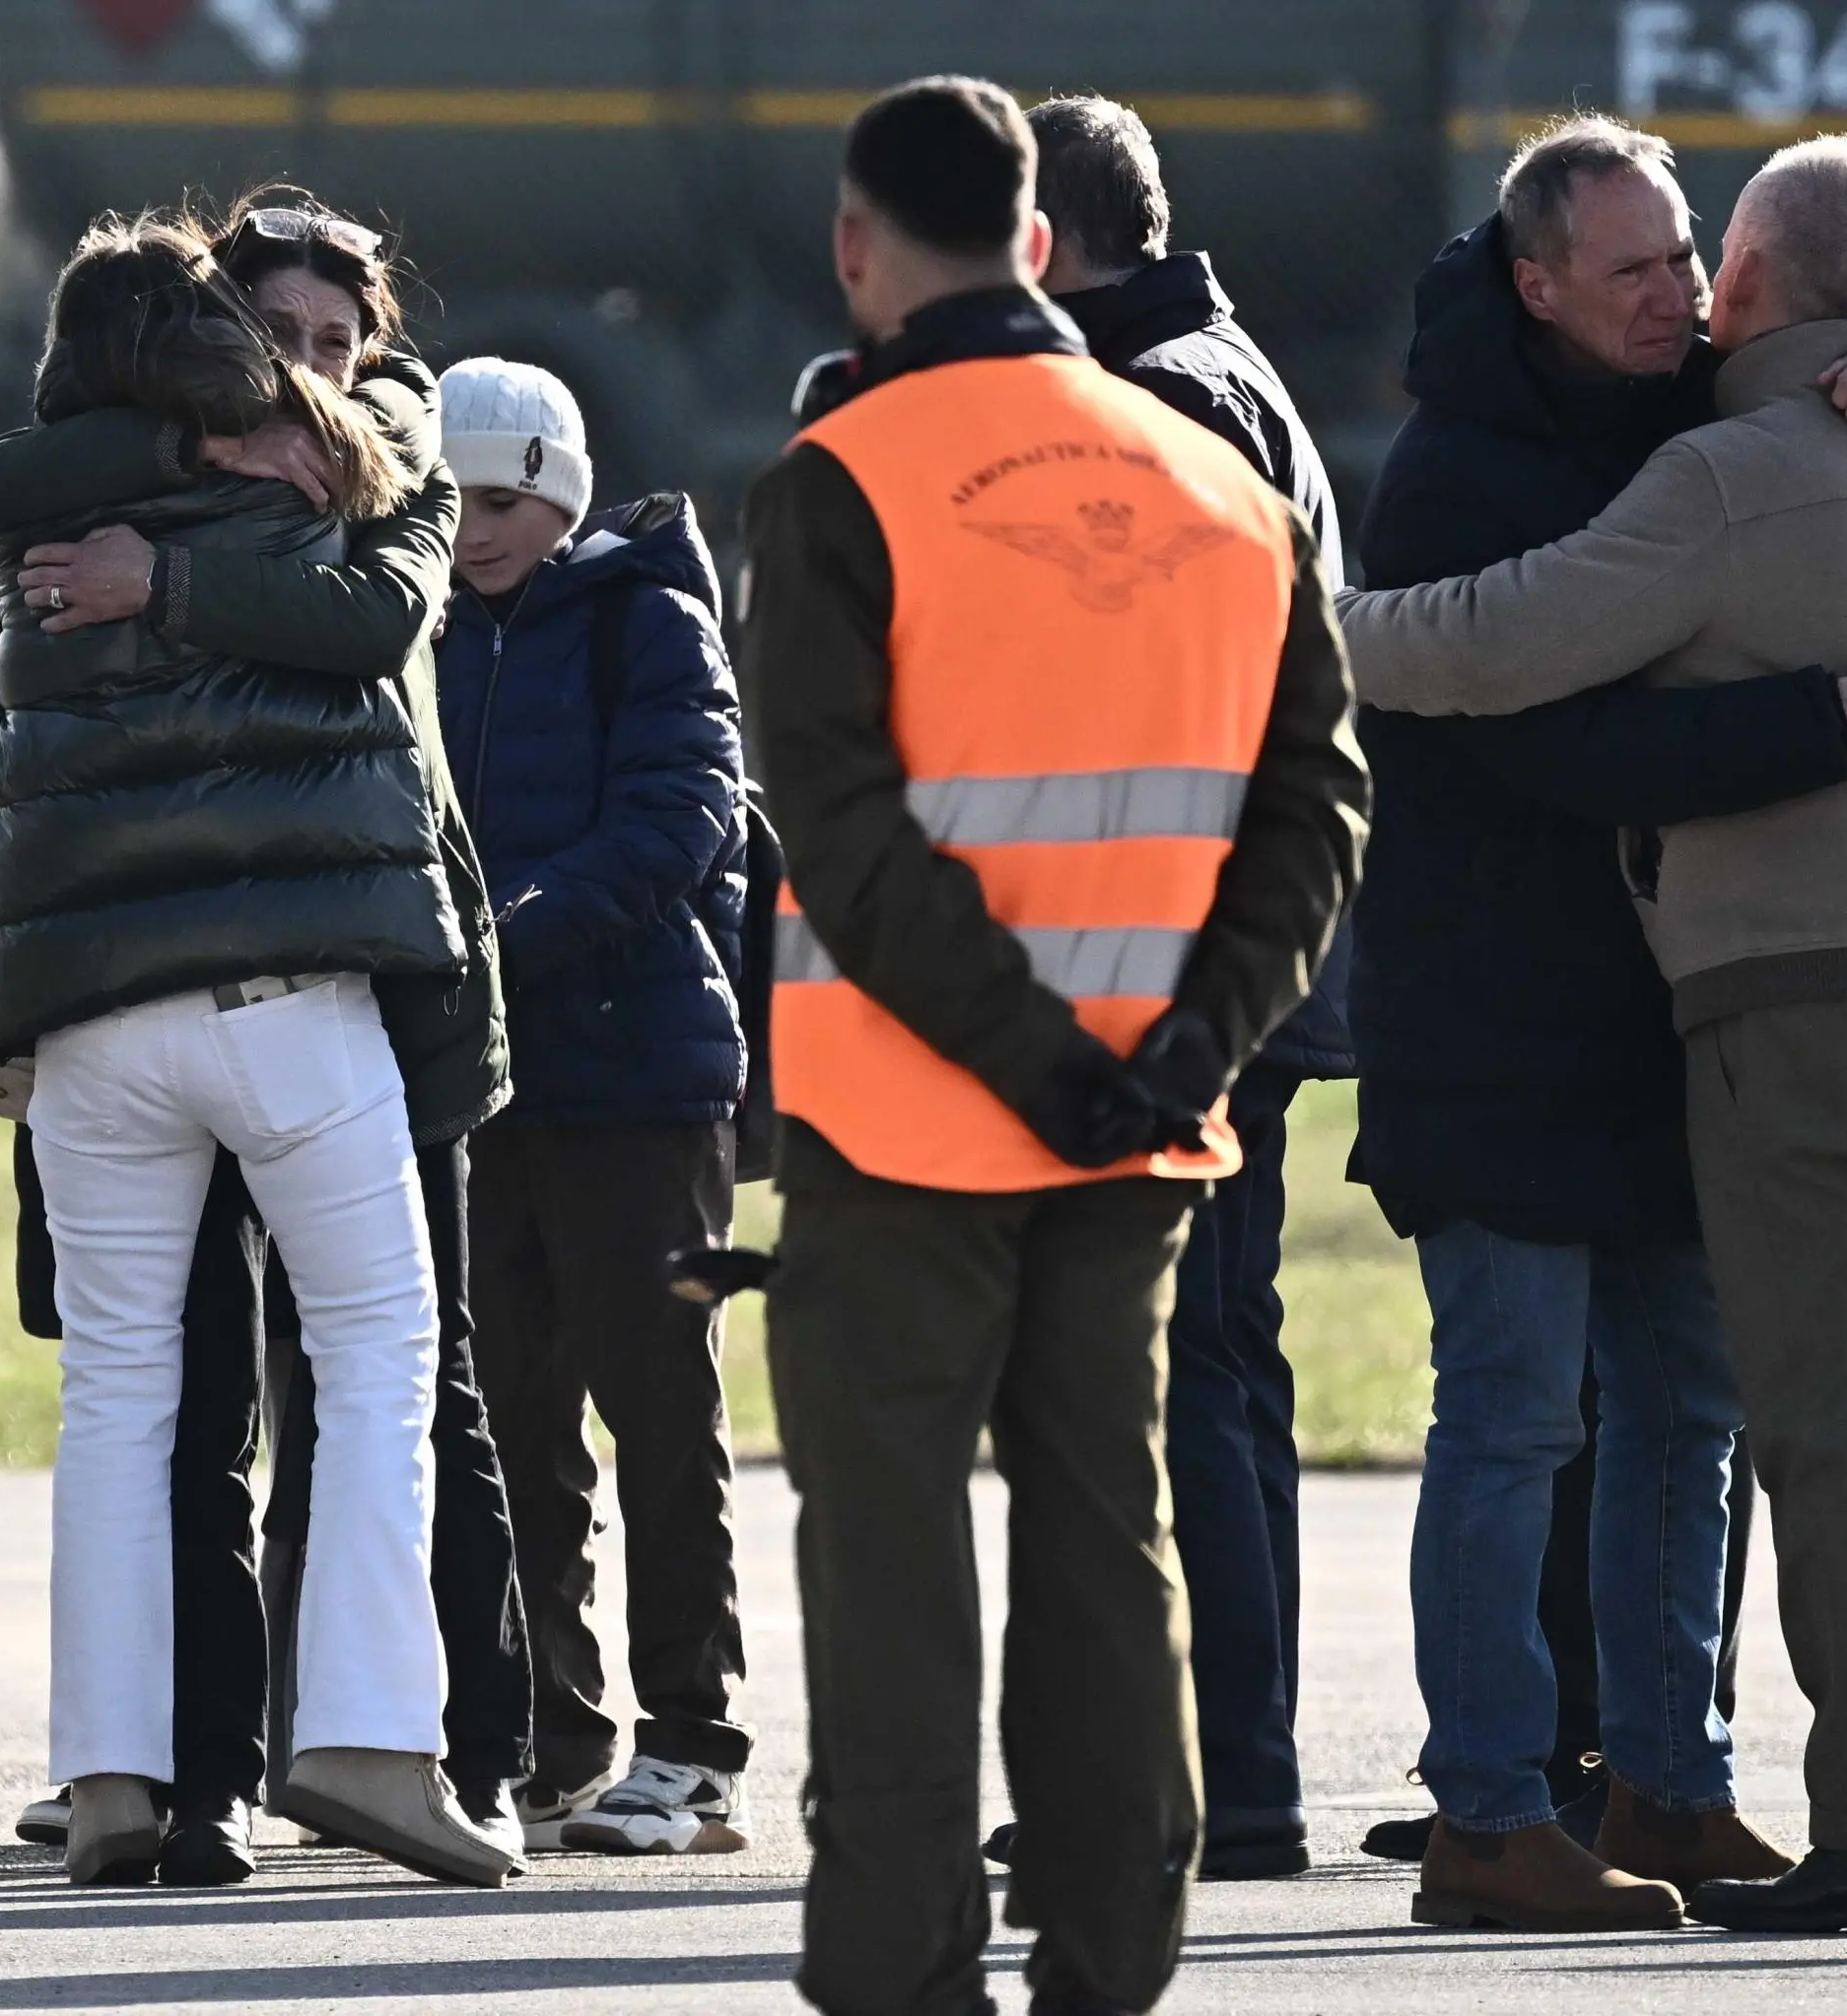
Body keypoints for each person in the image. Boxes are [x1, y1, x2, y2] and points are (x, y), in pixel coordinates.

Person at [1337, 135, 1847, 1940]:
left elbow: (1539, 638)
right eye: (1640, 266)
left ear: (1745, 282)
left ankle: (1798, 1807)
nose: (1676, 294)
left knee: (1774, 1412)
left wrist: (1296, 623)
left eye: (1695, 260)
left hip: (1763, 995)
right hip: (1844, 986)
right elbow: (1545, 723)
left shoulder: (1717, 461)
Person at [743, 77, 1365, 2016]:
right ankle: (1114, 1961)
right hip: (1138, 1137)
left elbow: (840, 833)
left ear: (859, 247)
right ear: (1035, 240)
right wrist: (1190, 1047)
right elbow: (1318, 808)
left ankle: (900, 1972)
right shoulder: (1223, 480)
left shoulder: (838, 478)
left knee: (896, 1567)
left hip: (906, 1126)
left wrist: (1023, 1054)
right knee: (1112, 1551)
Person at [0, 188, 532, 1883]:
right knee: (378, 1361)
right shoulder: (329, 492)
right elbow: (381, 613)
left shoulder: (56, 503)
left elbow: (5, 499)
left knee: (119, 1396)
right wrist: (275, 474)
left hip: (86, 1021)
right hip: (283, 984)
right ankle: (368, 1741)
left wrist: (148, 576)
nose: (312, 372)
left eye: (334, 347)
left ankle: (112, 1779)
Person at [1014, 91, 1348, 1883]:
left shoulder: (1161, 403)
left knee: (1164, 1377)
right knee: (1213, 1359)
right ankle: (1240, 1769)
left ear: (1046, 246)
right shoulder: (1230, 373)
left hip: (1167, 959)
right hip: (1229, 951)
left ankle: (1206, 1773)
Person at [433, 356, 754, 1854]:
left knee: (661, 1417)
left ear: (558, 491)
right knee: (510, 1427)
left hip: (639, 1084)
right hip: (484, 1096)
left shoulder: (650, 617)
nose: (473, 525)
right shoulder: (420, 636)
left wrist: (495, 932)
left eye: (499, 496)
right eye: (445, 498)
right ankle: (555, 1741)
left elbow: (678, 820)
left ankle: (694, 1744)